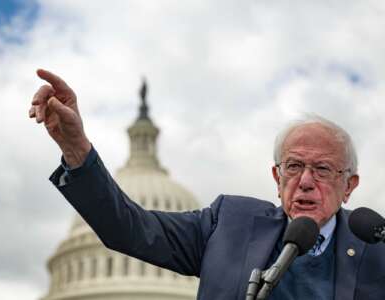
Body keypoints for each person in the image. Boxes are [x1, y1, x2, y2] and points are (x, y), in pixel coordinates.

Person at [30, 69, 385, 299]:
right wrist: (76, 149)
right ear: (277, 178)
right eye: (293, 166)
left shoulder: (377, 248)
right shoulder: (227, 225)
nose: (305, 182)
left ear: (349, 185)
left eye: (322, 170)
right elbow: (126, 227)